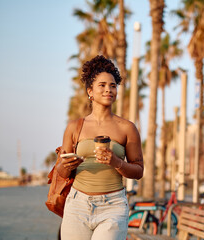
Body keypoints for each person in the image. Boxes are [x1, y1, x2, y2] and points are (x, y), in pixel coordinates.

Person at [56, 55, 144, 240]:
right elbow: (61, 172)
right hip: (77, 205)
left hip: (113, 206)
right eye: (102, 85)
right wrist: (69, 164)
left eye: (113, 86)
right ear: (90, 91)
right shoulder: (74, 126)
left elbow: (138, 170)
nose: (108, 90)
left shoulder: (127, 128)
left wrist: (117, 162)